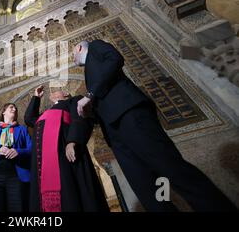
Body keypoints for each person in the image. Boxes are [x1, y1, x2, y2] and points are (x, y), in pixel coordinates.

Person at [73, 39, 237, 212]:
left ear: (79, 47)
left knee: (171, 169)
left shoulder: (96, 47)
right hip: (115, 133)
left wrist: (90, 95)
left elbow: (115, 59)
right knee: (147, 189)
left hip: (130, 116)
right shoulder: (90, 74)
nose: (73, 59)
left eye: (73, 55)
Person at [24, 85, 109, 212]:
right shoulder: (44, 114)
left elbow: (79, 117)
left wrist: (73, 140)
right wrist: (36, 97)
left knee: (69, 186)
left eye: (57, 89)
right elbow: (29, 118)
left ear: (65, 94)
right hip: (45, 160)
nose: (52, 91)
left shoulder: (73, 101)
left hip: (64, 148)